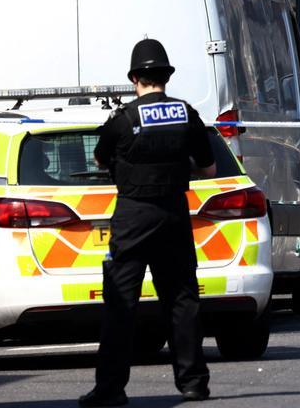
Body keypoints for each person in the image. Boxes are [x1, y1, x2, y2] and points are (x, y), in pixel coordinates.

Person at [79, 39, 215, 407]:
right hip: (174, 215)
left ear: (135, 77)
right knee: (182, 299)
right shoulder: (187, 114)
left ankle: (110, 388)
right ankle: (193, 383)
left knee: (122, 302)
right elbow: (209, 167)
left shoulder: (122, 120)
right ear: (166, 77)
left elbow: (100, 159)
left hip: (133, 217)